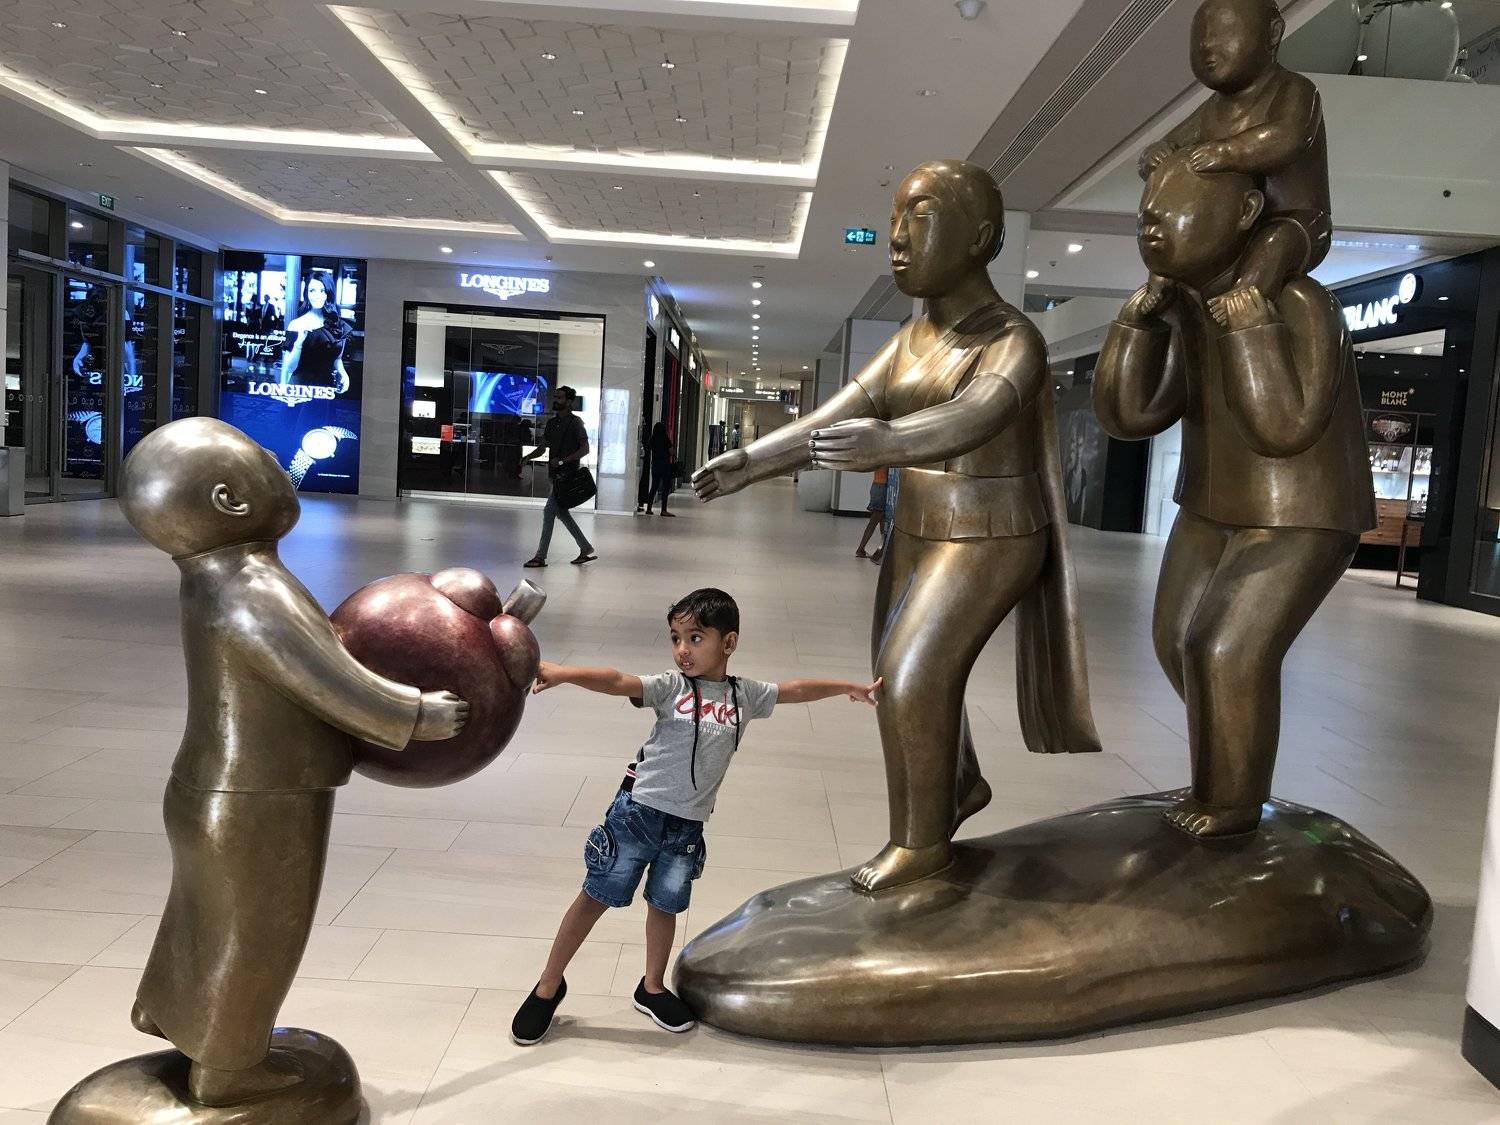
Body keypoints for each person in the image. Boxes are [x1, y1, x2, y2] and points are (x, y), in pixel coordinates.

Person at [694, 161, 1100, 892]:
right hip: (918, 523)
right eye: (894, 220)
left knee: (913, 676)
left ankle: (921, 846)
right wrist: (753, 461)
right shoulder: (913, 336)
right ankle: (956, 786)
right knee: (896, 676)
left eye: (921, 216)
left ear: (979, 237)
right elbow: (841, 411)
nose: (899, 237)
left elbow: (979, 412)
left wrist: (892, 441)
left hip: (993, 528)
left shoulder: (1012, 338)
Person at [117, 418, 468, 1107]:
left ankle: (169, 1011)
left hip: (210, 784)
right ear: (230, 500)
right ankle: (228, 1067)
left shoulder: (210, 576)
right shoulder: (253, 585)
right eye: (267, 459)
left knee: (202, 913)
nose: (283, 463)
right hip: (264, 791)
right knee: (259, 930)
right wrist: (414, 713)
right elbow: (325, 677)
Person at [1092, 153, 1373, 838]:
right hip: (1211, 505)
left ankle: (1233, 802)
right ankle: (1226, 768)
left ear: (1244, 213)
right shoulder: (1188, 307)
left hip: (1299, 512)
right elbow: (1130, 416)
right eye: (1146, 215)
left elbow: (1285, 427)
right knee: (1175, 643)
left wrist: (1249, 327)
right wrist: (1136, 326)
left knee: (1225, 650)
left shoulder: (1302, 303)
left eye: (1172, 211)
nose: (1152, 226)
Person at [509, 588, 880, 1045]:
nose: (682, 649)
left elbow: (795, 689)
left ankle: (651, 987)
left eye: (695, 638)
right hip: (637, 814)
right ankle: (548, 986)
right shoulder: (672, 687)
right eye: (675, 638)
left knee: (665, 905)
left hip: (686, 825)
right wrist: (563, 673)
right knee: (596, 895)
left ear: (729, 642)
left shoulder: (745, 695)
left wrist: (846, 687)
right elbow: (618, 680)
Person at [1137, 0, 1330, 328]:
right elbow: (1173, 144)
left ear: (1273, 33)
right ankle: (1162, 281)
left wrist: (1228, 151)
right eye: (1200, 39)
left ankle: (1243, 296)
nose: (1207, 47)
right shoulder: (1213, 108)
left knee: (1273, 246)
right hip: (1227, 230)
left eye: (1223, 34)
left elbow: (1288, 137)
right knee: (1176, 245)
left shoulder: (1294, 89)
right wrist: (1154, 154)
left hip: (1294, 220)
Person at [523, 385, 597, 567]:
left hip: (567, 476)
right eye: (555, 397)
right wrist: (527, 457)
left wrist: (563, 461)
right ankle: (585, 547)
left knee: (549, 511)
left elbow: (585, 449)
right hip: (554, 476)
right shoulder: (551, 423)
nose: (556, 400)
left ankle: (540, 556)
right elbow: (543, 448)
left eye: (560, 397)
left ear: (569, 401)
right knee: (561, 513)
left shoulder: (576, 423)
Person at [280, 273, 352, 392]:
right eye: (312, 290)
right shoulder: (296, 324)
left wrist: (344, 374)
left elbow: (337, 358)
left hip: (326, 389)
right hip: (300, 389)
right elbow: (289, 368)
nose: (317, 295)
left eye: (322, 291)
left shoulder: (338, 325)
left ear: (328, 293)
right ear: (307, 294)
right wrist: (299, 343)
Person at [640, 421, 677, 516]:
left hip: (655, 464)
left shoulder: (652, 439)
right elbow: (671, 452)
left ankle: (649, 508)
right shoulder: (665, 438)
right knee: (665, 487)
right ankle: (663, 510)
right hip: (664, 465)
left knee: (654, 486)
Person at [855, 467, 889, 561]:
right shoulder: (886, 459)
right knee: (874, 521)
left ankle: (883, 548)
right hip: (883, 487)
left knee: (882, 520)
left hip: (876, 485)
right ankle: (861, 548)